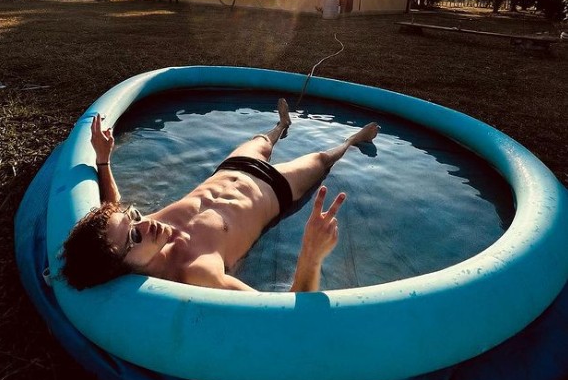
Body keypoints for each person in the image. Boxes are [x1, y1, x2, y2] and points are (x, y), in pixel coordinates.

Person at [60, 100, 379, 293]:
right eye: (133, 234)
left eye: (133, 217)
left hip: (232, 167)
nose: (142, 222)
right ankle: (352, 139)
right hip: (275, 189)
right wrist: (311, 255)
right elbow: (281, 317)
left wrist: (103, 160)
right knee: (323, 160)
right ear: (123, 269)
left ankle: (280, 125)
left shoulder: (146, 231)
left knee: (262, 142)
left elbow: (110, 206)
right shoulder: (198, 271)